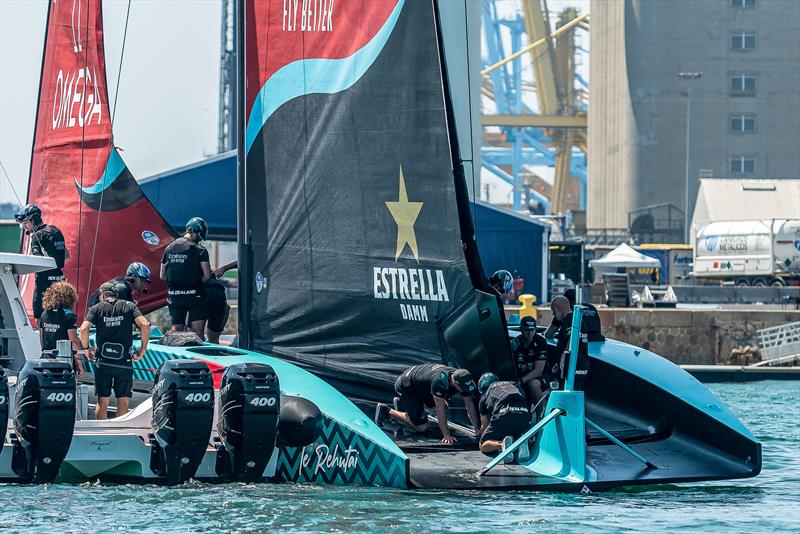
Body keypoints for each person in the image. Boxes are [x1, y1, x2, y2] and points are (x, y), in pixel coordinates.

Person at [79, 283, 150, 420]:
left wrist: (87, 348)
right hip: (123, 361)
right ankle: (120, 431)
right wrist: (143, 349)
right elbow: (145, 324)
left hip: (104, 362)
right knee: (123, 399)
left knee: (102, 400)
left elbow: (83, 329)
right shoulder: (129, 306)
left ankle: (101, 433)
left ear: (103, 295)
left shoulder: (96, 308)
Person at [375, 364, 480, 444]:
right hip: (406, 386)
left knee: (445, 405)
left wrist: (476, 429)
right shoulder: (440, 382)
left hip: (421, 385)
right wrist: (446, 435)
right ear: (454, 383)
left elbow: (469, 406)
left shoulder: (461, 378)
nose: (465, 390)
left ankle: (404, 405)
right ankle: (388, 411)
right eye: (462, 388)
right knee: (422, 427)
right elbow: (440, 411)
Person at [160, 217, 212, 338]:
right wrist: (198, 283)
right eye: (200, 236)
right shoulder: (200, 250)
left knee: (177, 331)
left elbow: (162, 275)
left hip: (174, 295)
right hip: (195, 296)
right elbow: (207, 275)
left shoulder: (169, 248)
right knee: (197, 332)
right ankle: (198, 356)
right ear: (196, 232)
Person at [15, 204, 67, 321]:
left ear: (34, 219)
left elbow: (38, 261)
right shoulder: (56, 231)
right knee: (62, 316)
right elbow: (66, 256)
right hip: (60, 282)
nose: (25, 227)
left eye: (25, 223)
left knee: (40, 318)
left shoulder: (37, 236)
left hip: (44, 284)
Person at [476, 373, 531, 461]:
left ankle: (502, 445)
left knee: (483, 445)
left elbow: (485, 425)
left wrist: (479, 432)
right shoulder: (513, 384)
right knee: (517, 430)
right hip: (524, 413)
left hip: (504, 414)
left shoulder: (484, 396)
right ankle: (521, 442)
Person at [39, 281, 84, 378]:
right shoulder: (69, 315)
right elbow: (74, 341)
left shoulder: (44, 314)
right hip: (64, 360)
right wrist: (79, 363)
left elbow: (42, 338)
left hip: (46, 357)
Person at [549, 295, 590, 391]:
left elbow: (571, 338)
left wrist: (564, 359)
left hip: (572, 368)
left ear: (558, 308)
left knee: (570, 393)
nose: (553, 314)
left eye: (553, 311)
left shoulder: (570, 321)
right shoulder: (574, 320)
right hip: (578, 366)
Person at [510, 316, 549, 404]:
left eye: (532, 330)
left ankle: (540, 416)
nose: (529, 333)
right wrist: (510, 351)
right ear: (521, 329)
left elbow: (538, 371)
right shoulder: (515, 343)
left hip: (540, 376)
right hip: (520, 376)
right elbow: (508, 366)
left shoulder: (540, 342)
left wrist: (521, 381)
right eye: (526, 330)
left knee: (533, 384)